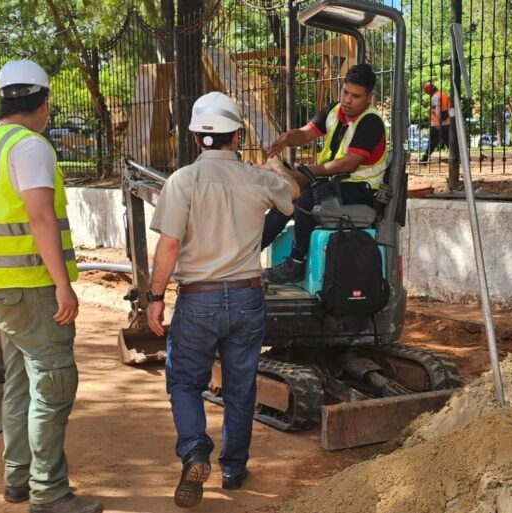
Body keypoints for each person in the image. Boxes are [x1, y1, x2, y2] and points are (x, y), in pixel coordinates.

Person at [146, 91, 298, 508]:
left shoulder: (182, 182)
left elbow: (170, 245)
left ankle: (196, 451)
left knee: (184, 381)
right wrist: (276, 167)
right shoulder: (256, 178)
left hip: (198, 300)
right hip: (248, 298)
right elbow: (293, 195)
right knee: (240, 387)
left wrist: (155, 296)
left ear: (197, 138)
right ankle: (233, 468)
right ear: (237, 136)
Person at [0, 59, 102, 513]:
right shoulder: (31, 147)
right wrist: (63, 286)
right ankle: (48, 493)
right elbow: (40, 217)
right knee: (53, 383)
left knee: (20, 383)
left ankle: (18, 478)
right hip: (31, 285)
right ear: (44, 103)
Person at [261, 63, 389, 284]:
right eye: (345, 92)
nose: (347, 100)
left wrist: (306, 172)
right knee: (285, 196)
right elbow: (306, 133)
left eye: (356, 96)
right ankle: (248, 251)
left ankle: (296, 262)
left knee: (305, 198)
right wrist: (287, 137)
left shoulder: (370, 121)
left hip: (363, 191)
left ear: (369, 97)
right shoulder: (334, 111)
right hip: (337, 185)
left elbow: (350, 163)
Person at [419, 80, 450, 163]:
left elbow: (437, 109)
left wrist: (438, 122)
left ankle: (424, 159)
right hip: (446, 122)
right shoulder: (443, 95)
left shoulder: (435, 97)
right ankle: (424, 158)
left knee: (433, 142)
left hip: (437, 123)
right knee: (448, 142)